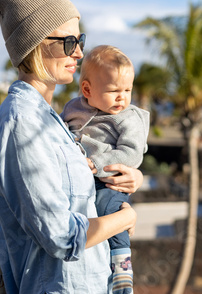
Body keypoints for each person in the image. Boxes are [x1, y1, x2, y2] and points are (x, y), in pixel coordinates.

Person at [0, 0, 141, 293]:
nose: (79, 53)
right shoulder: (21, 122)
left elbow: (80, 196)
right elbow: (61, 235)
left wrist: (129, 177)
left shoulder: (51, 119)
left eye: (79, 41)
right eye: (68, 42)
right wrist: (125, 219)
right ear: (35, 44)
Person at [61, 45, 150, 294]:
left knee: (113, 212)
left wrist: (98, 163)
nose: (122, 97)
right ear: (87, 90)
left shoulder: (128, 117)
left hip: (109, 180)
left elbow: (132, 153)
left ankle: (123, 269)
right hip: (83, 180)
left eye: (128, 90)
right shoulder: (72, 109)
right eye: (114, 91)